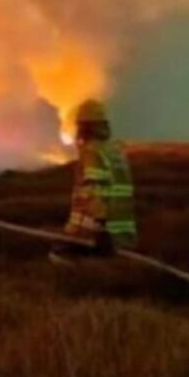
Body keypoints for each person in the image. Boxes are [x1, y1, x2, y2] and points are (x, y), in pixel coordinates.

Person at [49, 99, 137, 263]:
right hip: (123, 236)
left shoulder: (92, 153)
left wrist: (100, 231)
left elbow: (93, 191)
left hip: (94, 236)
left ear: (83, 127)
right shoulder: (116, 153)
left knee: (58, 256)